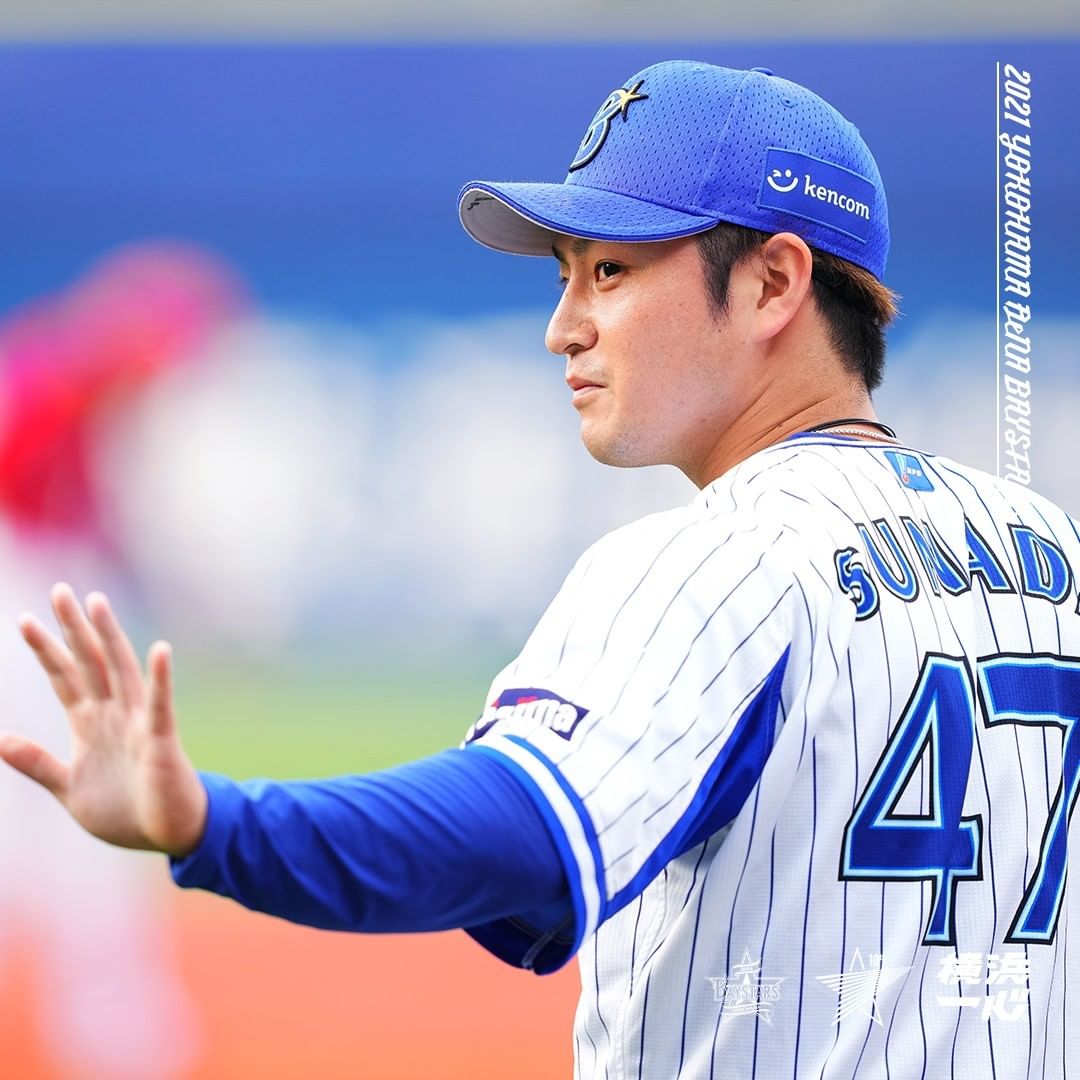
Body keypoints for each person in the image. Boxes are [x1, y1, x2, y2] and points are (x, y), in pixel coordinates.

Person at [1, 60, 1076, 1078]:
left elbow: (515, 832)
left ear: (771, 285)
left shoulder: (717, 560)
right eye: (567, 278)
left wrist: (216, 823)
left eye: (610, 271)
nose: (563, 329)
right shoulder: (1052, 550)